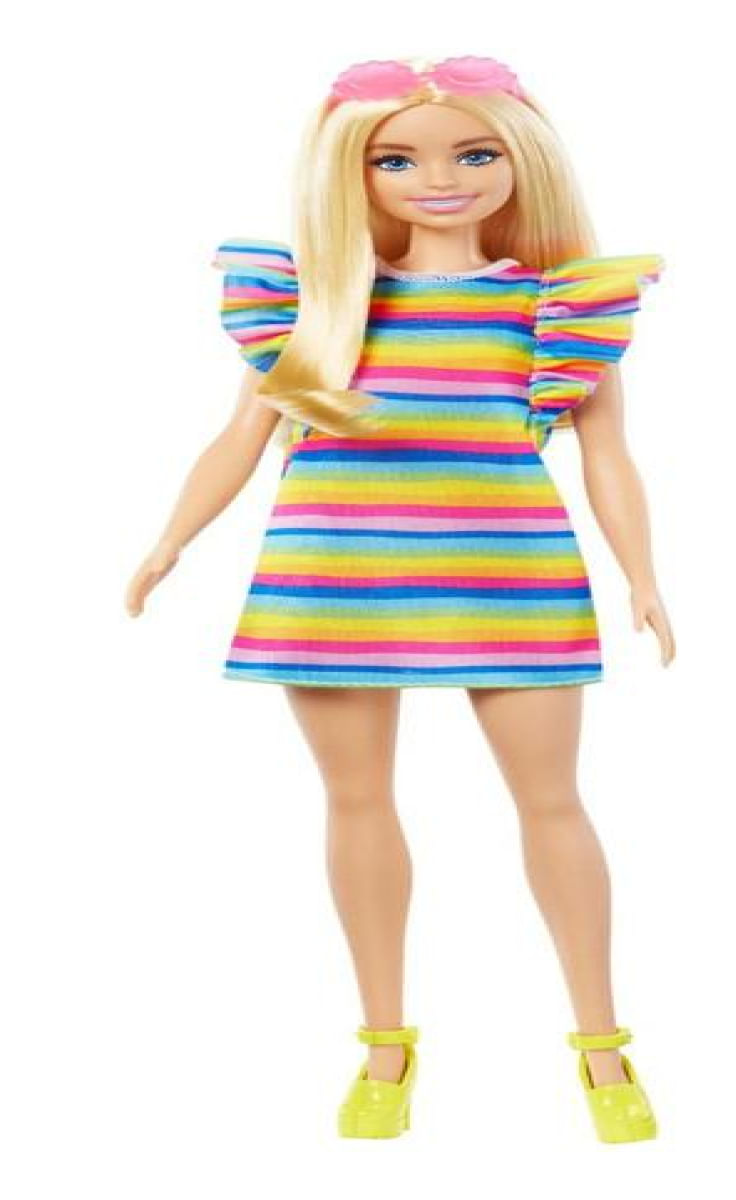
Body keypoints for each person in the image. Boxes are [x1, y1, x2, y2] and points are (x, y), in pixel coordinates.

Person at [125, 55, 674, 1143]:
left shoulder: (553, 308)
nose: (441, 179)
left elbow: (607, 451)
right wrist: (171, 539)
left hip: (508, 572)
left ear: (522, 162)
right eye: (397, 161)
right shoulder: (320, 302)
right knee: (357, 802)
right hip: (334, 569)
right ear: (353, 172)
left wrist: (642, 575)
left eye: (475, 154)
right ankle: (385, 1046)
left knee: (551, 803)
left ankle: (601, 1044)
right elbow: (241, 436)